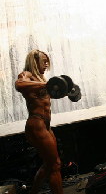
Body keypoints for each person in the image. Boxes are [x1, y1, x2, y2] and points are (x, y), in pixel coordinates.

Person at [15, 50, 63, 194]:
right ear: (34, 62)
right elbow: (19, 84)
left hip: (46, 126)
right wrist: (46, 85)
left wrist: (66, 90)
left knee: (50, 164)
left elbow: (48, 97)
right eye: (44, 61)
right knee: (54, 165)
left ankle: (33, 192)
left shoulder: (42, 79)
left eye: (48, 61)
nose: (47, 64)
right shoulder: (27, 75)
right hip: (36, 124)